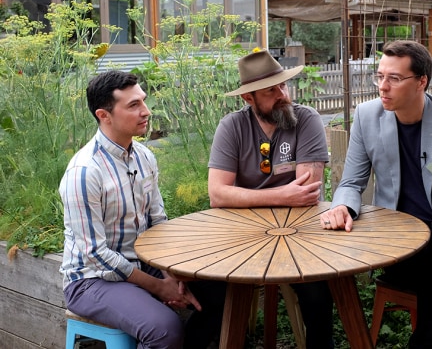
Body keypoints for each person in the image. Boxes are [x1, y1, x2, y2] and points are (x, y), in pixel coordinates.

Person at [321, 40, 432, 348]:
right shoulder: (366, 116)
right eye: (379, 77)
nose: (383, 87)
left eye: (394, 79)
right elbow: (350, 183)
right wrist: (342, 208)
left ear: (422, 82)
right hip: (399, 242)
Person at [199, 49, 334, 348]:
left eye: (283, 85)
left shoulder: (306, 119)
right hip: (242, 233)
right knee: (212, 286)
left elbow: (306, 194)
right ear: (249, 99)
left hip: (302, 231)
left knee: (317, 295)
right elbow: (217, 194)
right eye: (271, 90)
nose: (283, 94)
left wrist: (248, 196)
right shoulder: (232, 126)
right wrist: (282, 194)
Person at [59, 70, 203, 348]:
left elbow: (158, 222)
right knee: (164, 329)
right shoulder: (85, 171)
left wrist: (170, 274)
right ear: (104, 115)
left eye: (143, 101)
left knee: (217, 291)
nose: (146, 112)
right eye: (133, 105)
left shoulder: (145, 156)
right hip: (92, 281)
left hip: (143, 263)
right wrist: (160, 286)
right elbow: (95, 254)